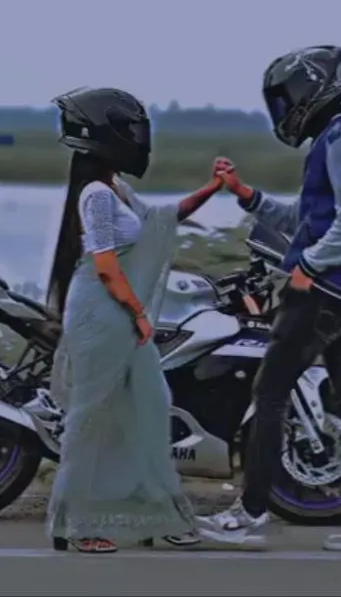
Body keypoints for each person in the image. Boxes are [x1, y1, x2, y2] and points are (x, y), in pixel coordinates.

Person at [197, 45, 341, 553]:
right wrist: (247, 196)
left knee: (269, 395)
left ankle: (248, 513)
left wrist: (308, 269)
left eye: (285, 100)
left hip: (322, 296)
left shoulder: (338, 142)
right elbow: (310, 221)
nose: (284, 112)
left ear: (308, 91)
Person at [46, 86, 224, 553]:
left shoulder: (116, 189)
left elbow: (161, 219)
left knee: (148, 407)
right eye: (128, 130)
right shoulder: (95, 197)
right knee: (92, 419)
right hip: (102, 315)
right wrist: (140, 314)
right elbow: (105, 265)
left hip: (116, 312)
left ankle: (158, 516)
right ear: (102, 135)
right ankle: (76, 524)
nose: (138, 139)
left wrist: (212, 188)